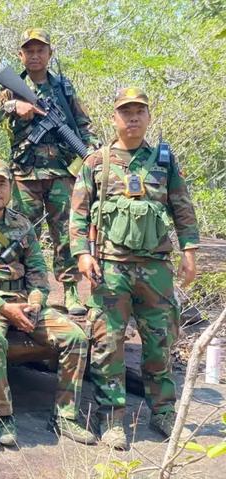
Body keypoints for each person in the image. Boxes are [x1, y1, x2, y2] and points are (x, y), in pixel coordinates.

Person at [70, 87, 199, 449]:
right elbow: (77, 214)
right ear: (114, 118)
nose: (133, 118)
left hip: (155, 269)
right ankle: (111, 419)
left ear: (148, 117)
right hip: (111, 268)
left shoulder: (163, 160)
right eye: (126, 112)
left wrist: (190, 251)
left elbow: (182, 207)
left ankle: (163, 412)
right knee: (108, 343)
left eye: (139, 111)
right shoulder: (96, 162)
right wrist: (82, 254)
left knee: (160, 342)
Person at [0, 159, 96, 446]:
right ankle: (3, 415)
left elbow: (38, 271)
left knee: (76, 337)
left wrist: (36, 301)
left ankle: (65, 416)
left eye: (1, 184)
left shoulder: (22, 224)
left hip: (25, 301)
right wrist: (3, 307)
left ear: (10, 188)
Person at [0, 28, 99, 315]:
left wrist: (92, 152)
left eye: (40, 50)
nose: (35, 56)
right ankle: (26, 289)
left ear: (49, 54)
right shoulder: (11, 88)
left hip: (61, 173)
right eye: (29, 51)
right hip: (25, 174)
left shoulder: (63, 88)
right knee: (22, 233)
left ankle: (70, 290)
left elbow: (83, 125)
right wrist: (13, 106)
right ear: (20, 55)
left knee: (66, 233)